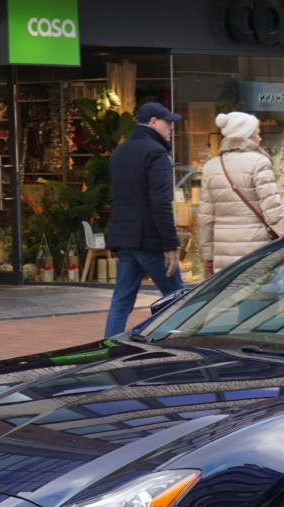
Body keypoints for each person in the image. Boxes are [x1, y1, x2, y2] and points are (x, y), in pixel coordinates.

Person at [104, 101, 186, 337]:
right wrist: (171, 244)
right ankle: (182, 346)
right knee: (179, 299)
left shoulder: (121, 151)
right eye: (167, 123)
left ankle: (109, 349)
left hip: (125, 237)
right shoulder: (156, 153)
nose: (171, 128)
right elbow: (160, 203)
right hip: (150, 240)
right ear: (153, 122)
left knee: (121, 301)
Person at [197, 111, 284, 277]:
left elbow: (206, 219)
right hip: (255, 251)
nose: (260, 139)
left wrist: (207, 258)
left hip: (223, 255)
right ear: (246, 136)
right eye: (257, 134)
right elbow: (273, 211)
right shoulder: (259, 162)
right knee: (260, 301)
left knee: (228, 300)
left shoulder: (211, 166)